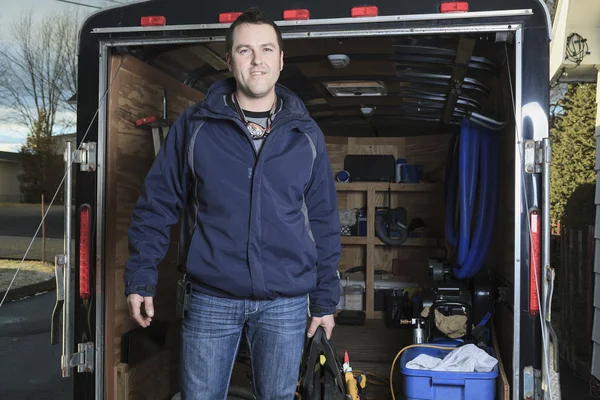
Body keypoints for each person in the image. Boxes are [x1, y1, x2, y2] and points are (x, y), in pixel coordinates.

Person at [123, 7, 341, 400]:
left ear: (281, 59)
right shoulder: (194, 127)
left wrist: (325, 300)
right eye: (245, 50)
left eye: (267, 49)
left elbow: (323, 220)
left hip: (284, 304)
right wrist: (141, 275)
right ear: (229, 60)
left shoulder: (306, 134)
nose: (257, 60)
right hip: (211, 299)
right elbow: (157, 204)